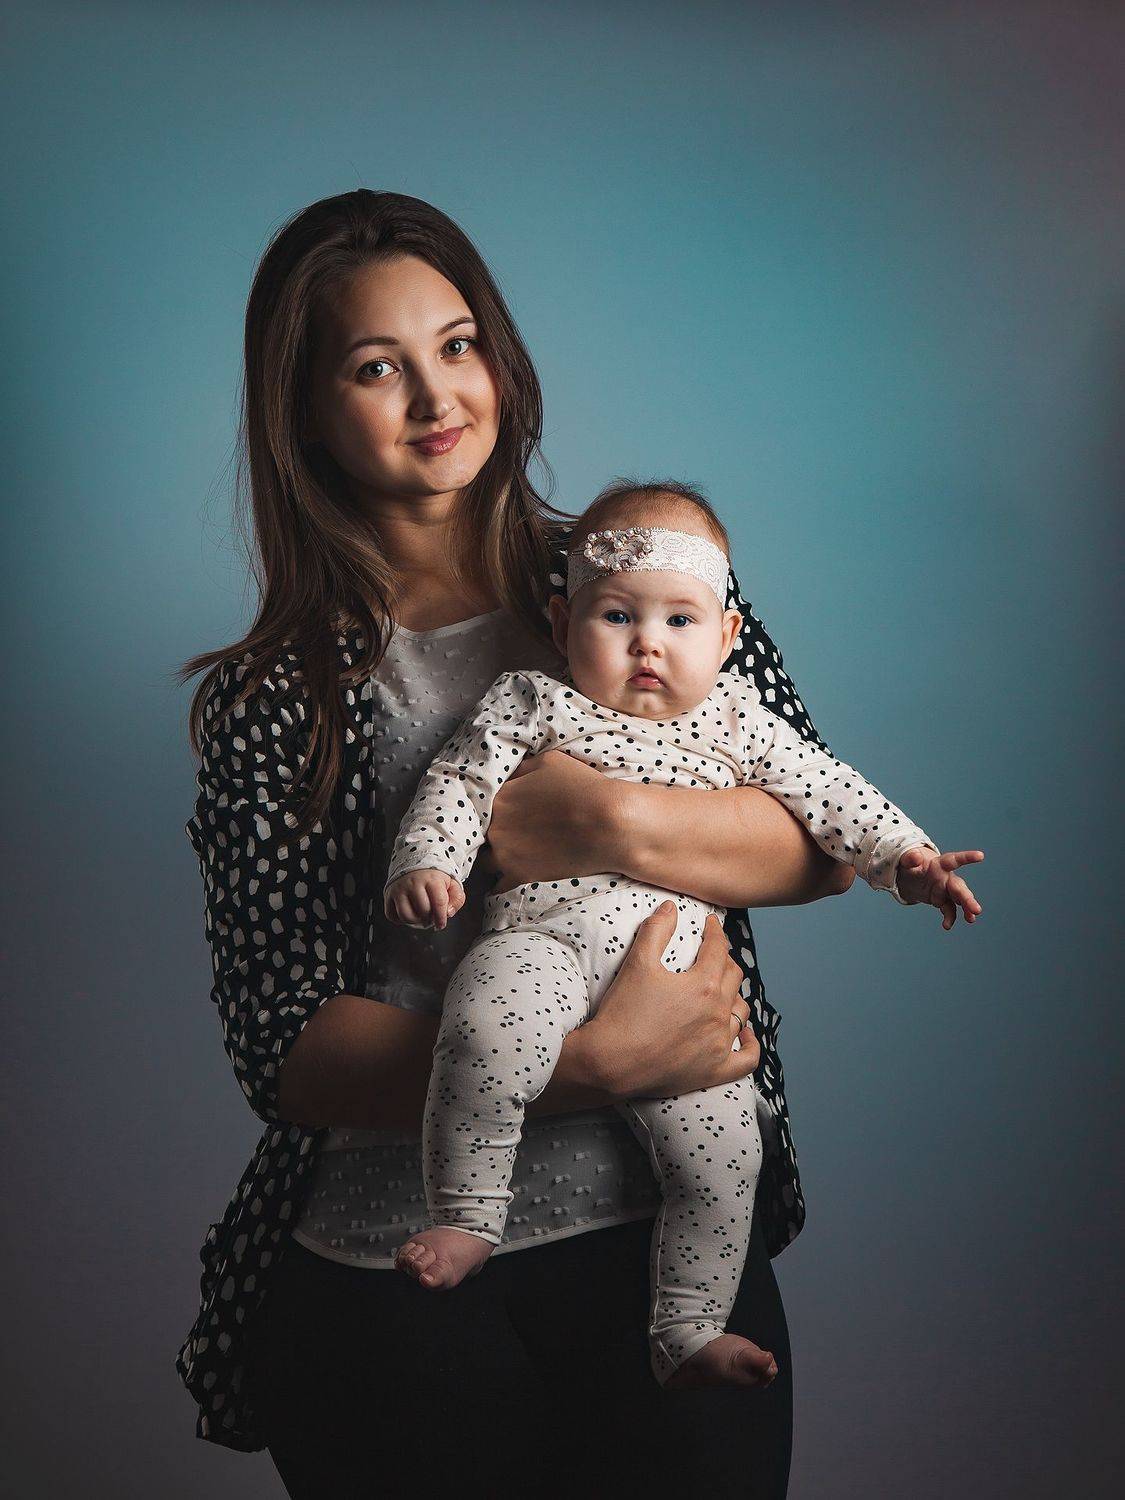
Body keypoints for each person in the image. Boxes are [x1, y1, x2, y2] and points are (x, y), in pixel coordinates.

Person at [177, 189, 865, 1497]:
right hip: (397, 1285)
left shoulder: (639, 574)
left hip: (666, 1249)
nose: (435, 396)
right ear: (305, 411)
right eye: (375, 366)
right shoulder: (279, 694)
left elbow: (817, 842)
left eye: (456, 346)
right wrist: (591, 1063)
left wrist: (602, 818)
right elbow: (282, 1044)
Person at [384, 486, 983, 1392]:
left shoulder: (738, 718)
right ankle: (468, 1216)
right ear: (562, 622)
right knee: (481, 1033)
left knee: (726, 1157)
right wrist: (427, 863)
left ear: (726, 635)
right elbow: (459, 783)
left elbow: (832, 796)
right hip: (539, 939)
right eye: (616, 616)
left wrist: (909, 860)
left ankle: (689, 1326)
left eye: (678, 620)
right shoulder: (532, 701)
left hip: (678, 981)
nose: (647, 644)